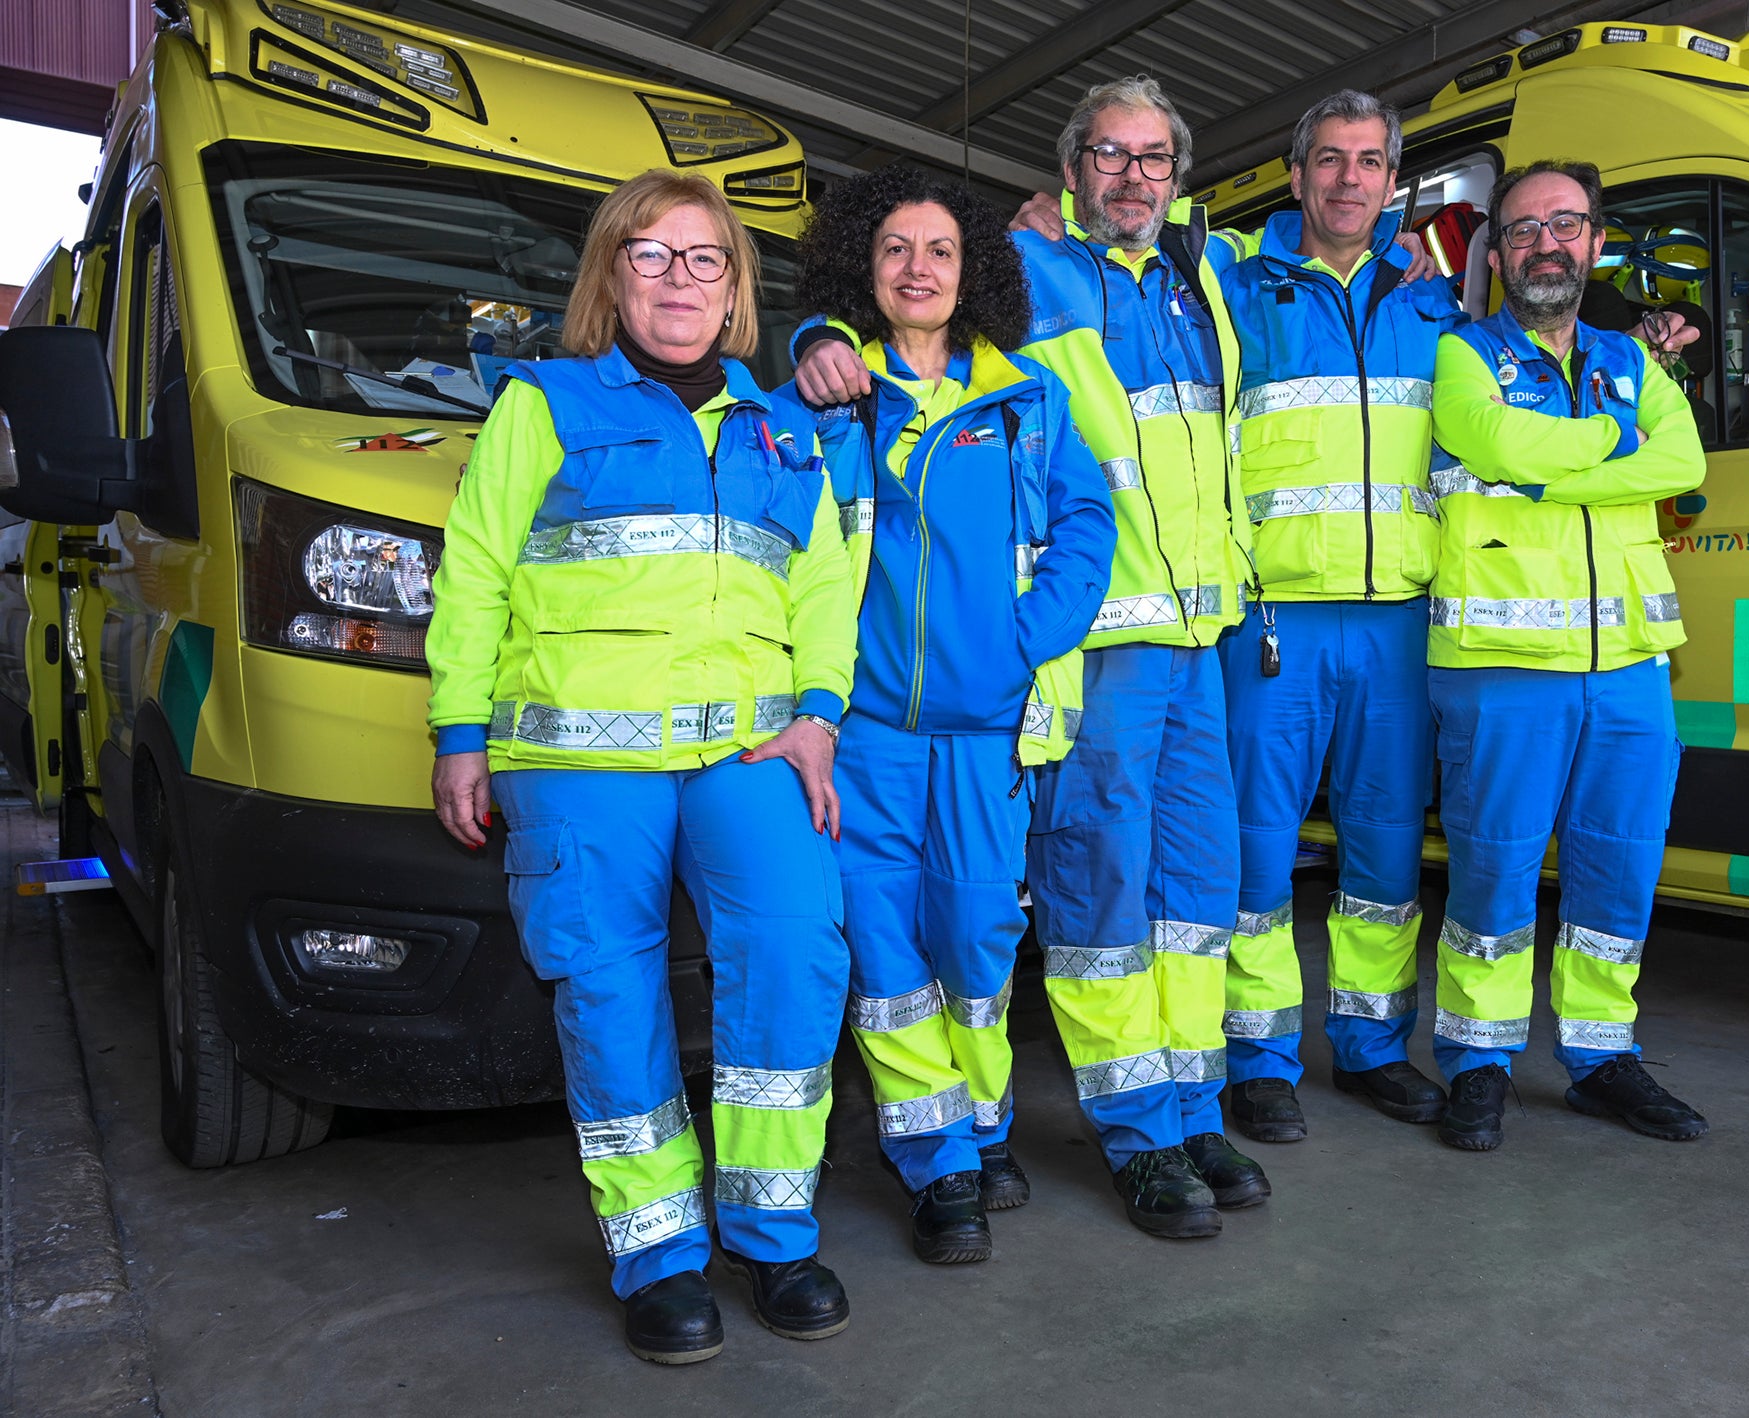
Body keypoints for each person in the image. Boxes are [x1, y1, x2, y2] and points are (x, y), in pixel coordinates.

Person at [793, 76, 1268, 1240]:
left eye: (1155, 157)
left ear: (1179, 174)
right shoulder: (1035, 272)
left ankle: (1189, 1097)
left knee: (1199, 895)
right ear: (1068, 171)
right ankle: (1136, 1133)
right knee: (1096, 892)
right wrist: (814, 333)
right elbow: (882, 314)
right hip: (1101, 650)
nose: (1133, 176)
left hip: (1198, 642)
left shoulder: (1205, 280)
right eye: (1108, 155)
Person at [426, 169, 857, 1362]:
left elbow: (823, 583)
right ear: (611, 275)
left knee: (792, 949)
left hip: (747, 748)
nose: (679, 280)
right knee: (610, 988)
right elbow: (474, 573)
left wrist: (820, 713)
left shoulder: (782, 424)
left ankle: (773, 1230)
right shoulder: (542, 404)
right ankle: (659, 1253)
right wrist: (459, 731)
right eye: (652, 256)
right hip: (576, 755)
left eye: (704, 258)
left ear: (736, 289)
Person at [785, 165, 1115, 1265]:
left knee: (976, 939)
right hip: (865, 732)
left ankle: (983, 1123)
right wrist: (804, 343)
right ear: (859, 271)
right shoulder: (833, 387)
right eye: (892, 250)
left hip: (985, 729)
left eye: (937, 250)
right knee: (883, 945)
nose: (916, 268)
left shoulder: (1027, 396)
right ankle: (935, 1160)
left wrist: (1027, 638)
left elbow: (1086, 521)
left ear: (970, 271)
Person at [1426, 158, 1710, 1151]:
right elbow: (1492, 444)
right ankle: (1476, 1060)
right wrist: (1610, 444)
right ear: (1496, 255)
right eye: (1520, 230)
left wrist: (1566, 458)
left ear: (1593, 243)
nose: (1543, 244)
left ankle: (1600, 1057)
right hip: (1500, 661)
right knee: (1492, 876)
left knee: (1618, 870)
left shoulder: (1632, 363)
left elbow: (1682, 464)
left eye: (1563, 225)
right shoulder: (1463, 357)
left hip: (1629, 664)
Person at [1214, 89, 1462, 1145]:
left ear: (1392, 182)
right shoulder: (1228, 284)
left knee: (1382, 855)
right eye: (1328, 159)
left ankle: (1367, 1044)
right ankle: (1257, 1056)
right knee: (1254, 857)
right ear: (1293, 170)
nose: (1347, 179)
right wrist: (1047, 213)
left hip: (1398, 623)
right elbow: (1114, 255)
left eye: (1368, 162)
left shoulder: (1432, 302)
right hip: (1273, 622)